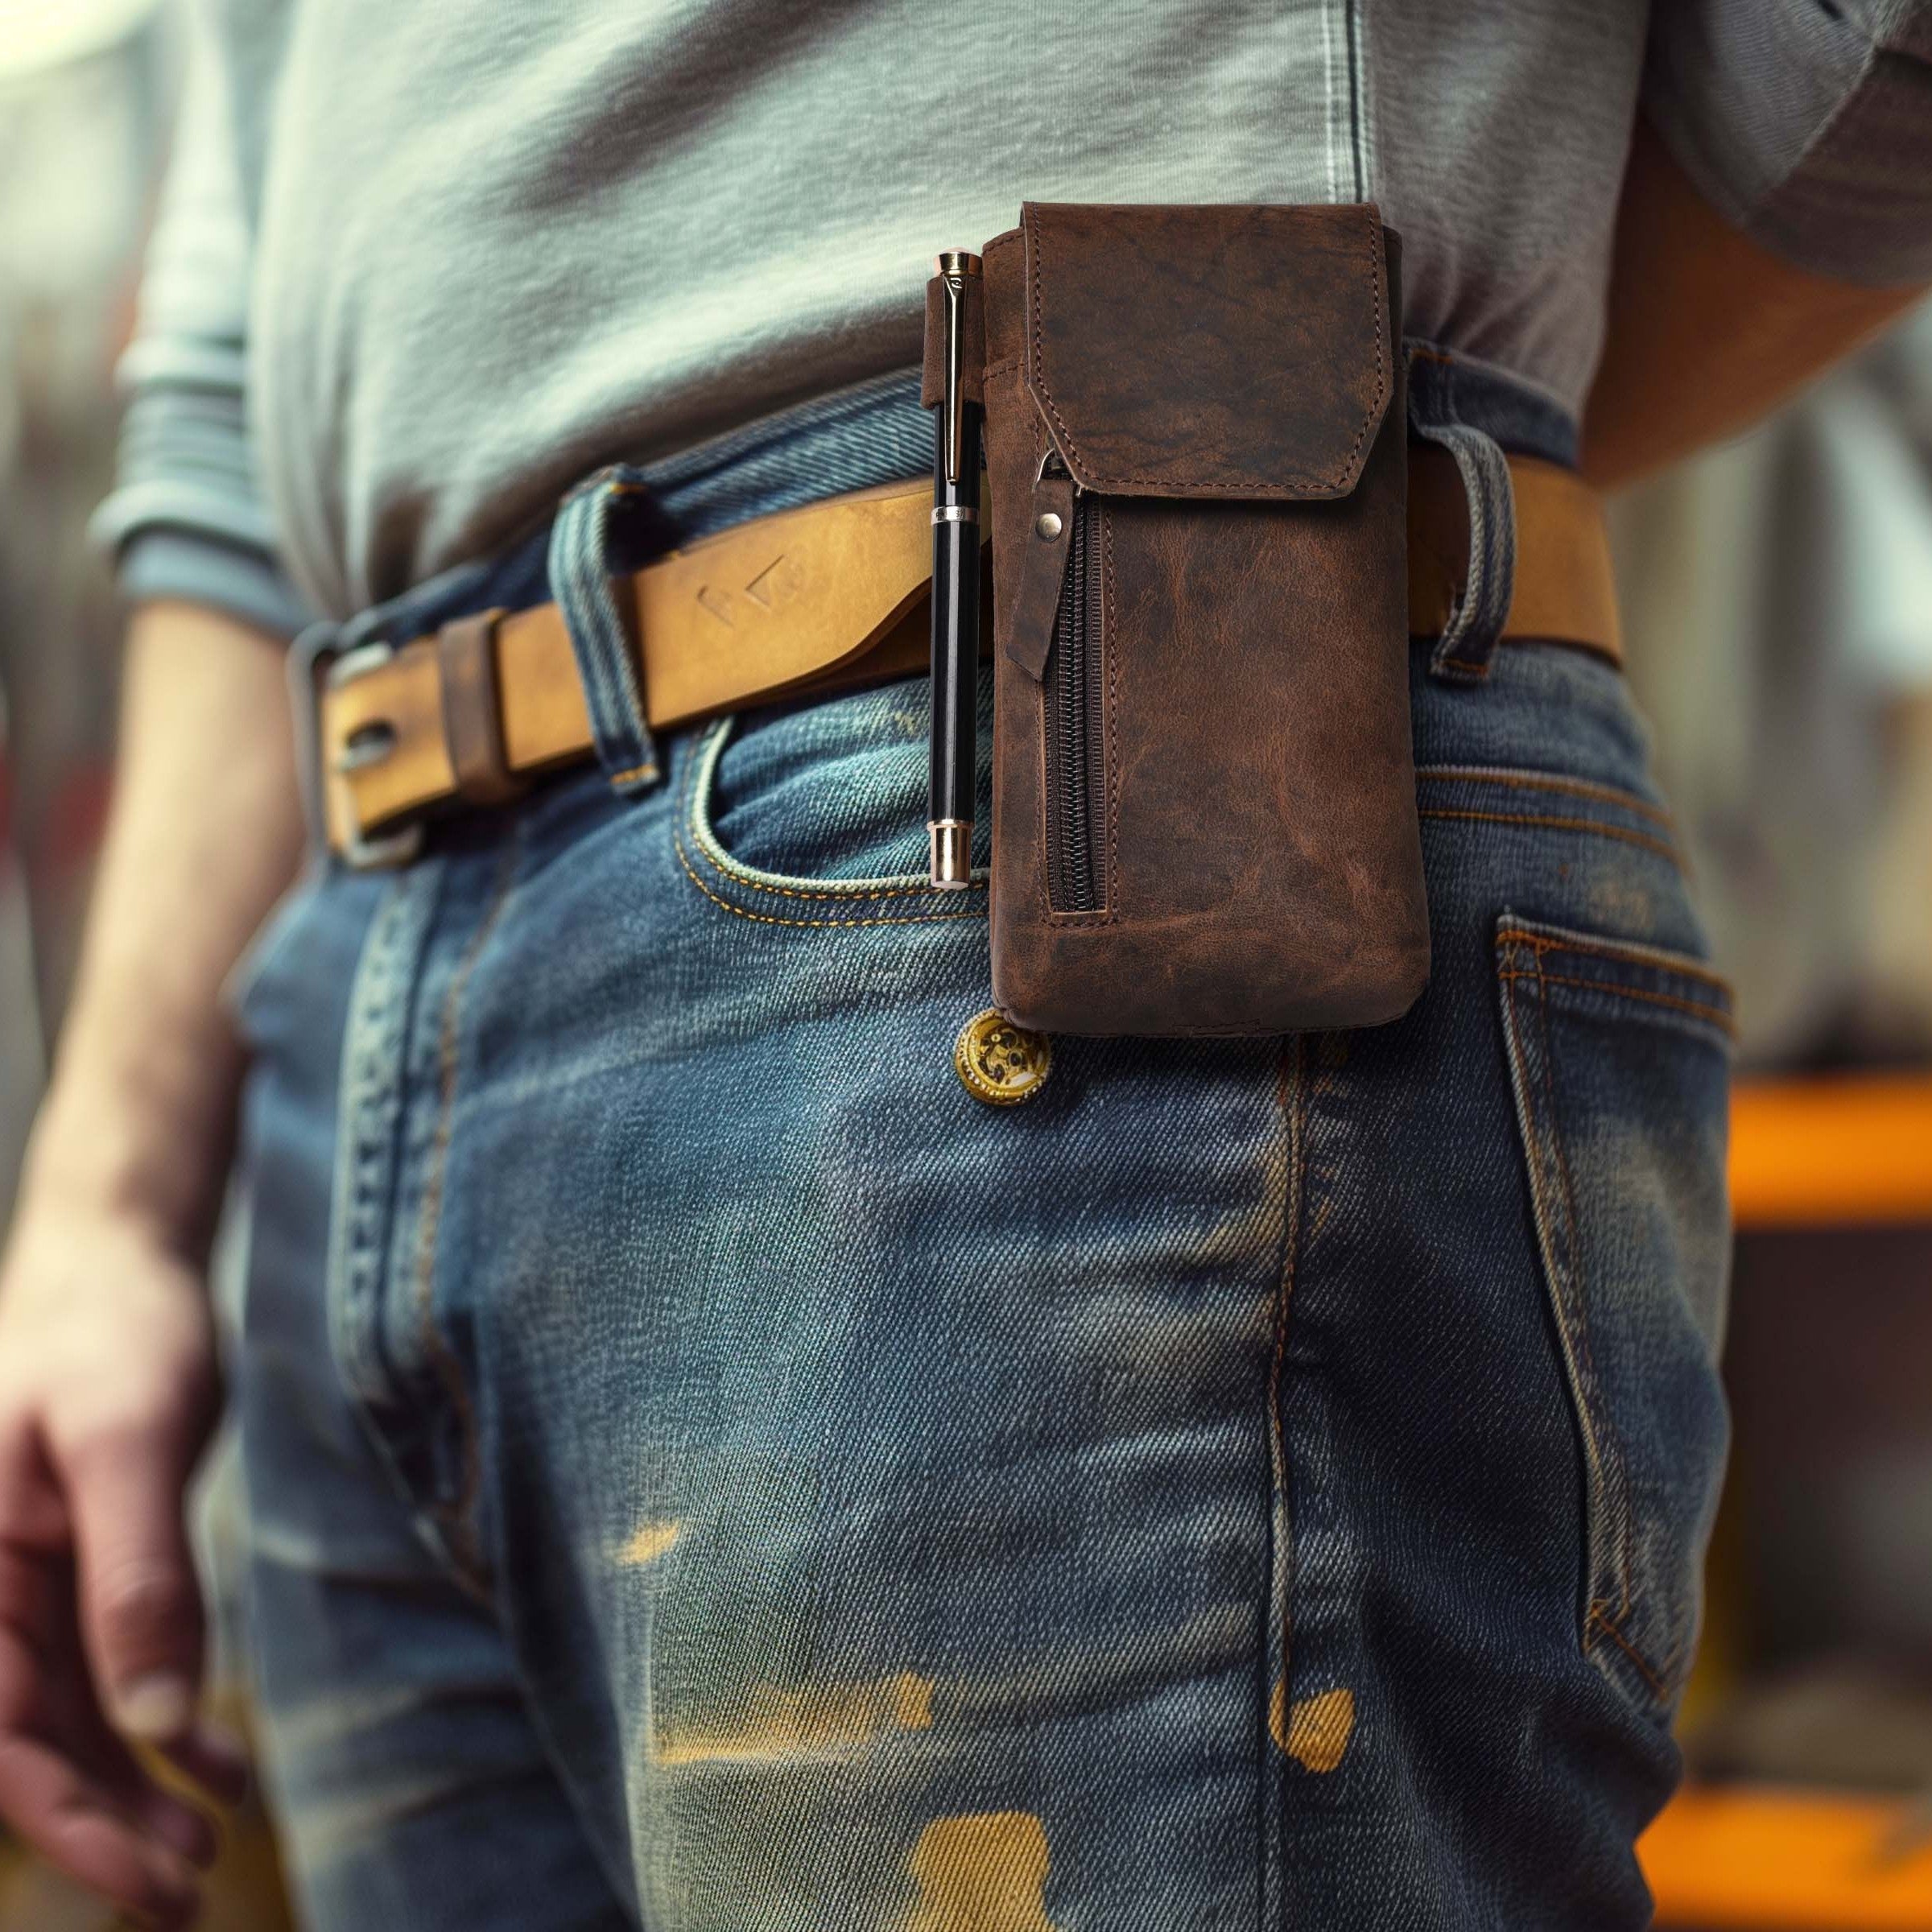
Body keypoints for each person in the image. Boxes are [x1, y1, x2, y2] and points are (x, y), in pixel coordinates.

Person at [2, 5, 1927, 1927]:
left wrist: (1285, 482)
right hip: (369, 947)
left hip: (1040, 779)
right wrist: (101, 1207)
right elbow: (225, 373)